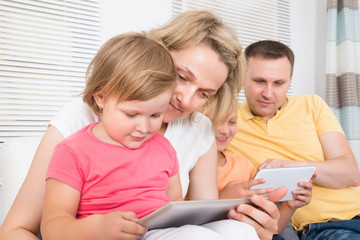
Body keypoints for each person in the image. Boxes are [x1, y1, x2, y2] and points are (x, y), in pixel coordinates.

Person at [0, 11, 284, 240]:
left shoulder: (198, 130)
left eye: (203, 93)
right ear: (155, 51)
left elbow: (198, 219)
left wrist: (255, 227)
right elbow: (16, 230)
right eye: (182, 76)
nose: (184, 100)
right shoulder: (79, 120)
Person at [41, 32, 260, 240]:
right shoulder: (73, 150)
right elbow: (52, 227)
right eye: (132, 114)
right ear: (100, 98)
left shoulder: (164, 147)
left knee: (240, 231)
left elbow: (175, 207)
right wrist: (97, 227)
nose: (144, 127)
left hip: (157, 231)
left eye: (155, 114)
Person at [227, 40, 360, 240]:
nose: (268, 94)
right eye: (260, 81)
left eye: (278, 83)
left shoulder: (312, 105)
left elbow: (350, 173)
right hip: (285, 228)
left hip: (346, 220)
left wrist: (291, 167)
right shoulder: (227, 120)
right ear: (242, 78)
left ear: (289, 81)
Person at [202, 91, 313, 239]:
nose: (225, 130)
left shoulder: (244, 166)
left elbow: (269, 232)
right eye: (215, 120)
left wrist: (289, 206)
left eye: (232, 121)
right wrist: (222, 199)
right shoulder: (187, 167)